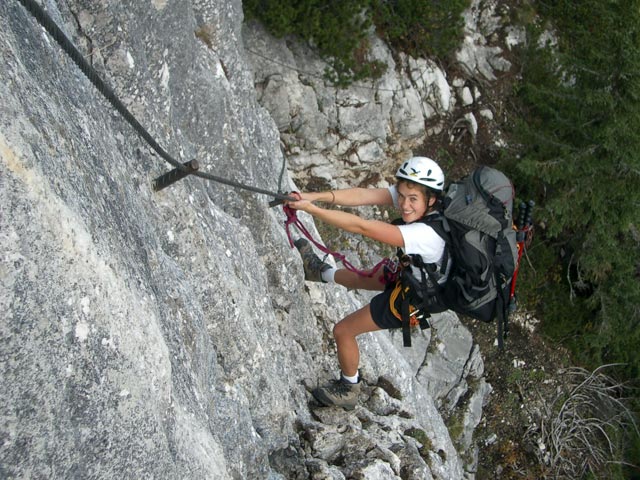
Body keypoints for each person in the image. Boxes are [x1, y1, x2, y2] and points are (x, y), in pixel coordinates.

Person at [286, 156, 451, 410]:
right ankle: (319, 272)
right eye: (402, 195)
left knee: (343, 331)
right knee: (368, 277)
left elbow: (363, 227)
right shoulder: (420, 200)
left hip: (413, 300)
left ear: (431, 200)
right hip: (414, 275)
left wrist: (312, 210)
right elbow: (362, 195)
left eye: (412, 199)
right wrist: (310, 196)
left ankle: (349, 387)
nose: (404, 205)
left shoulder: (426, 234)